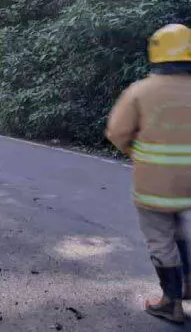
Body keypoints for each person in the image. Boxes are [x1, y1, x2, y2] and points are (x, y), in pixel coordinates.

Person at [106, 23, 191, 324]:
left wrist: (134, 151)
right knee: (177, 225)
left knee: (160, 238)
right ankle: (186, 282)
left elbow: (117, 132)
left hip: (154, 183)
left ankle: (171, 302)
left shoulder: (141, 91)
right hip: (188, 184)